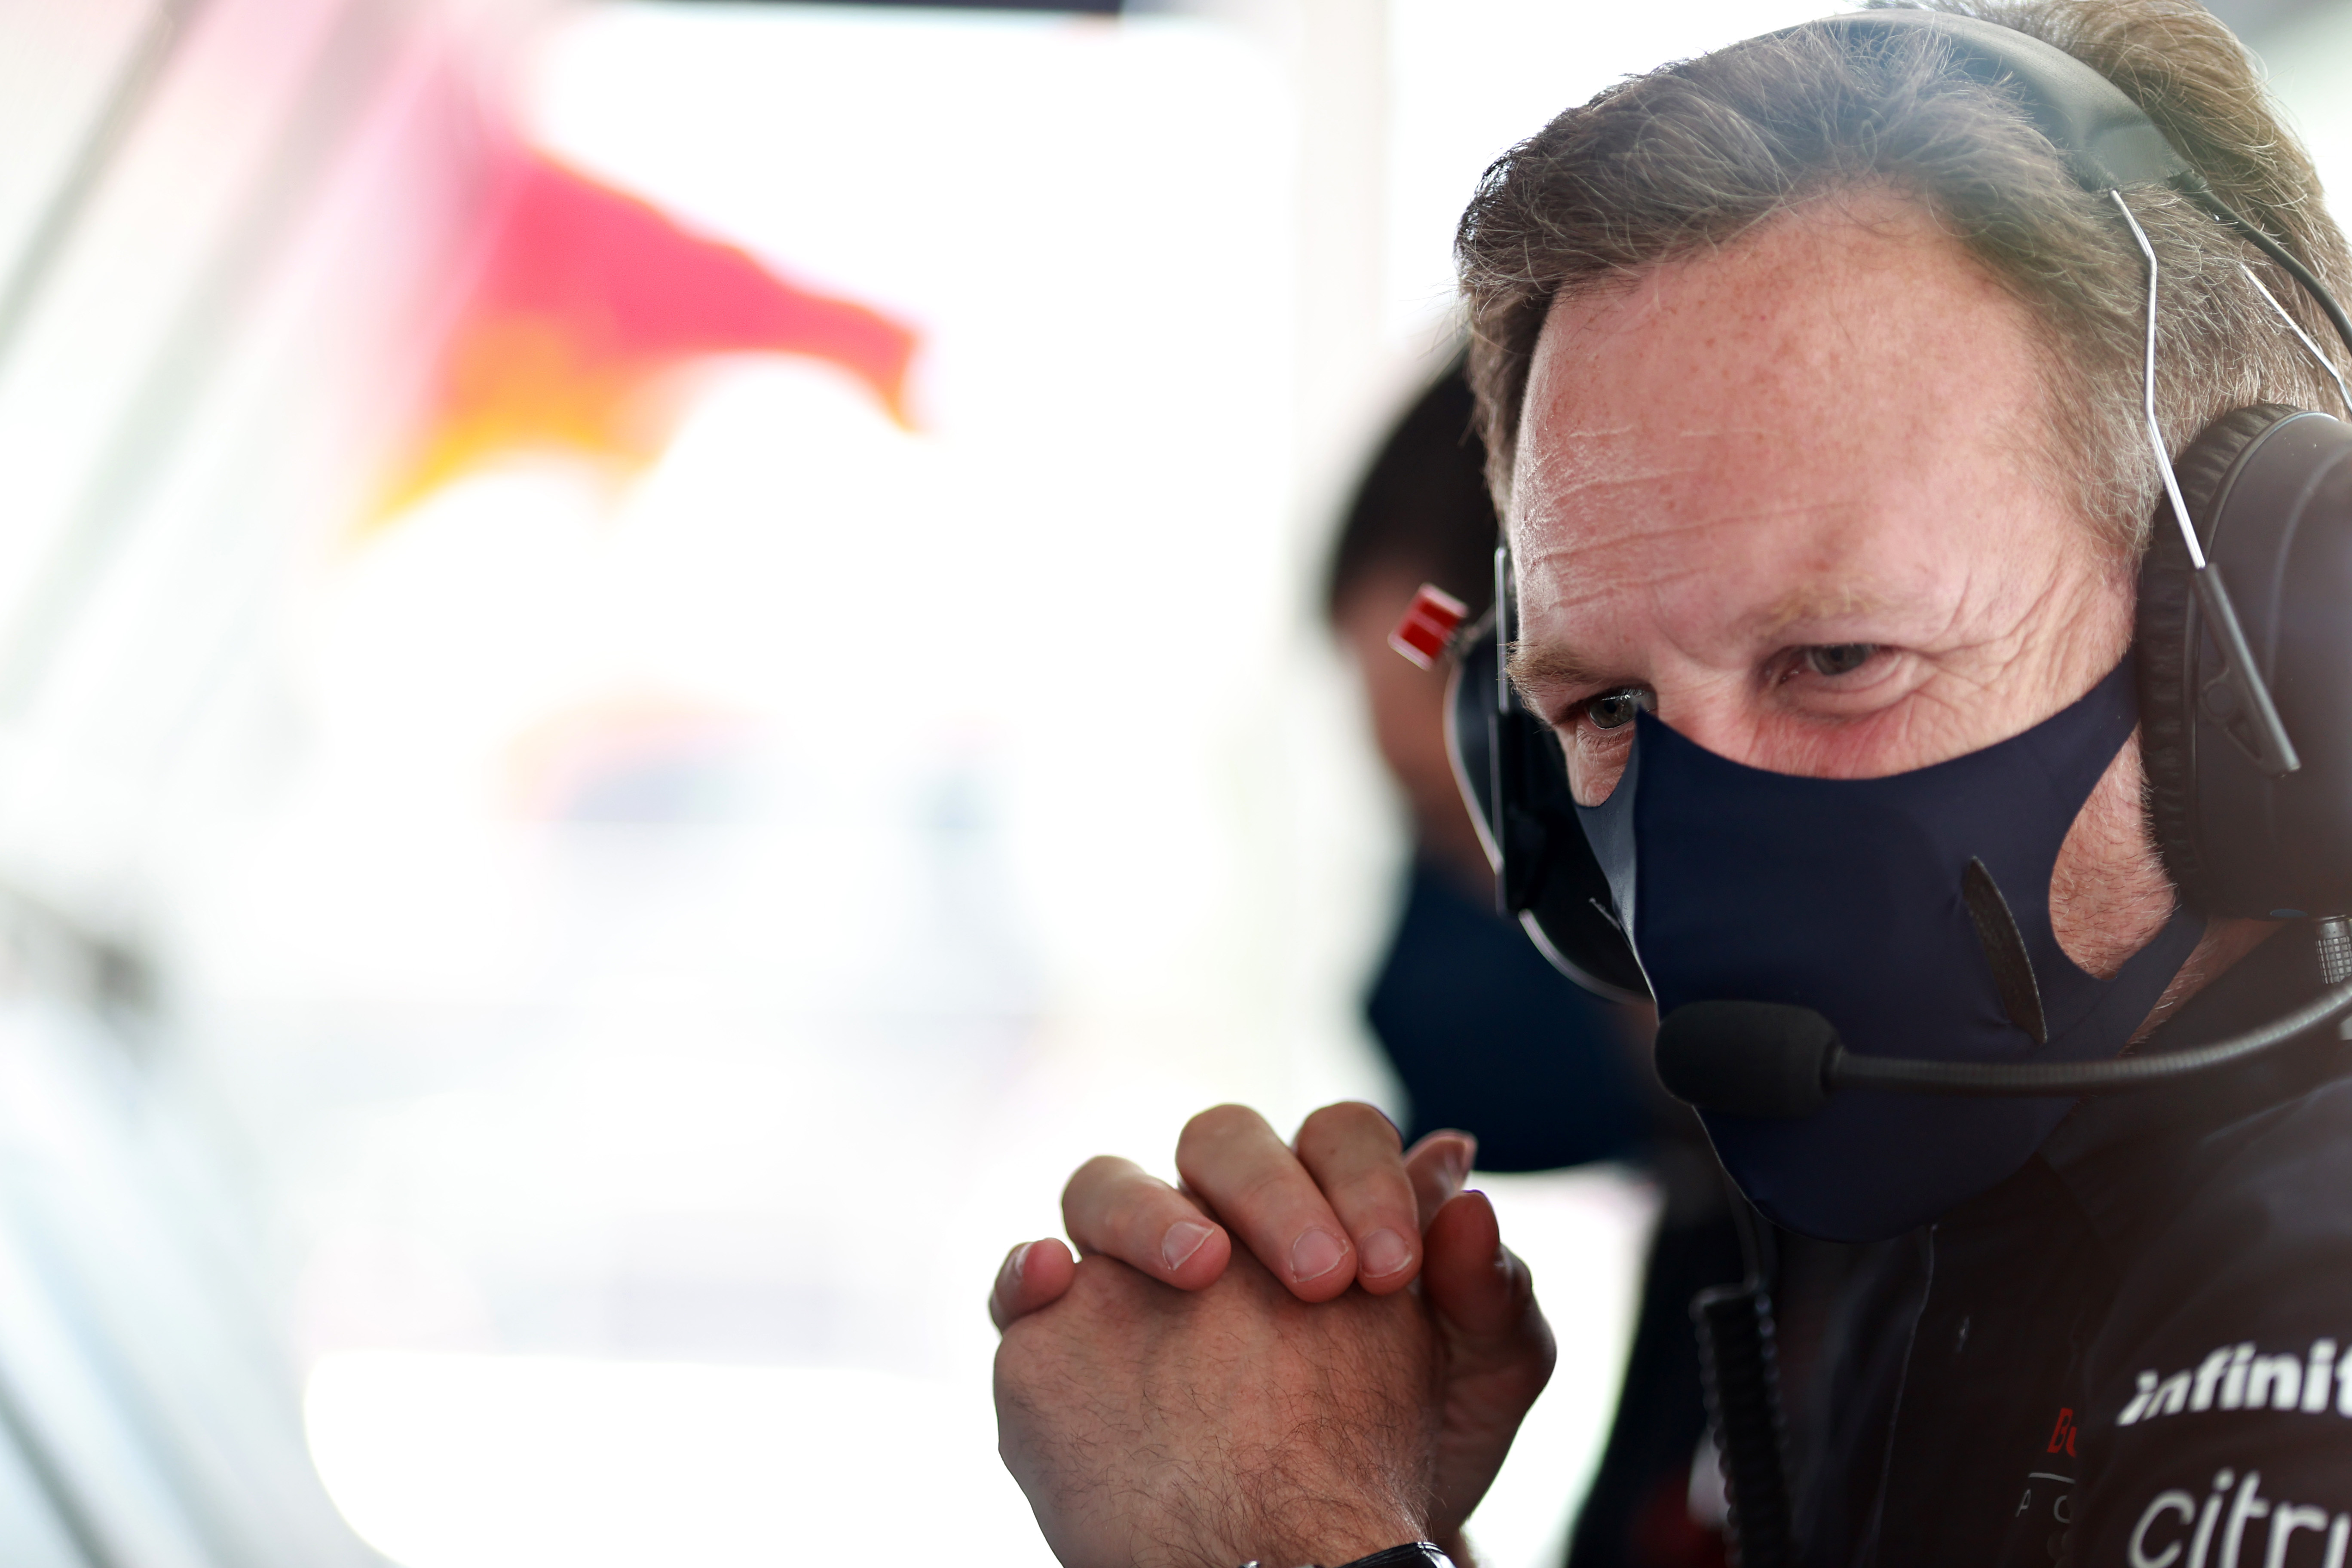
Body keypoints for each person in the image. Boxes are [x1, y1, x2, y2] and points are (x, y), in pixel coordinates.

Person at [989, 3, 2352, 1565]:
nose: (1696, 855)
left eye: (1839, 658)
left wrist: (1287, 1532)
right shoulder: (1936, 1233)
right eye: (1607, 708)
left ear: (2268, 638)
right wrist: (1374, 1496)